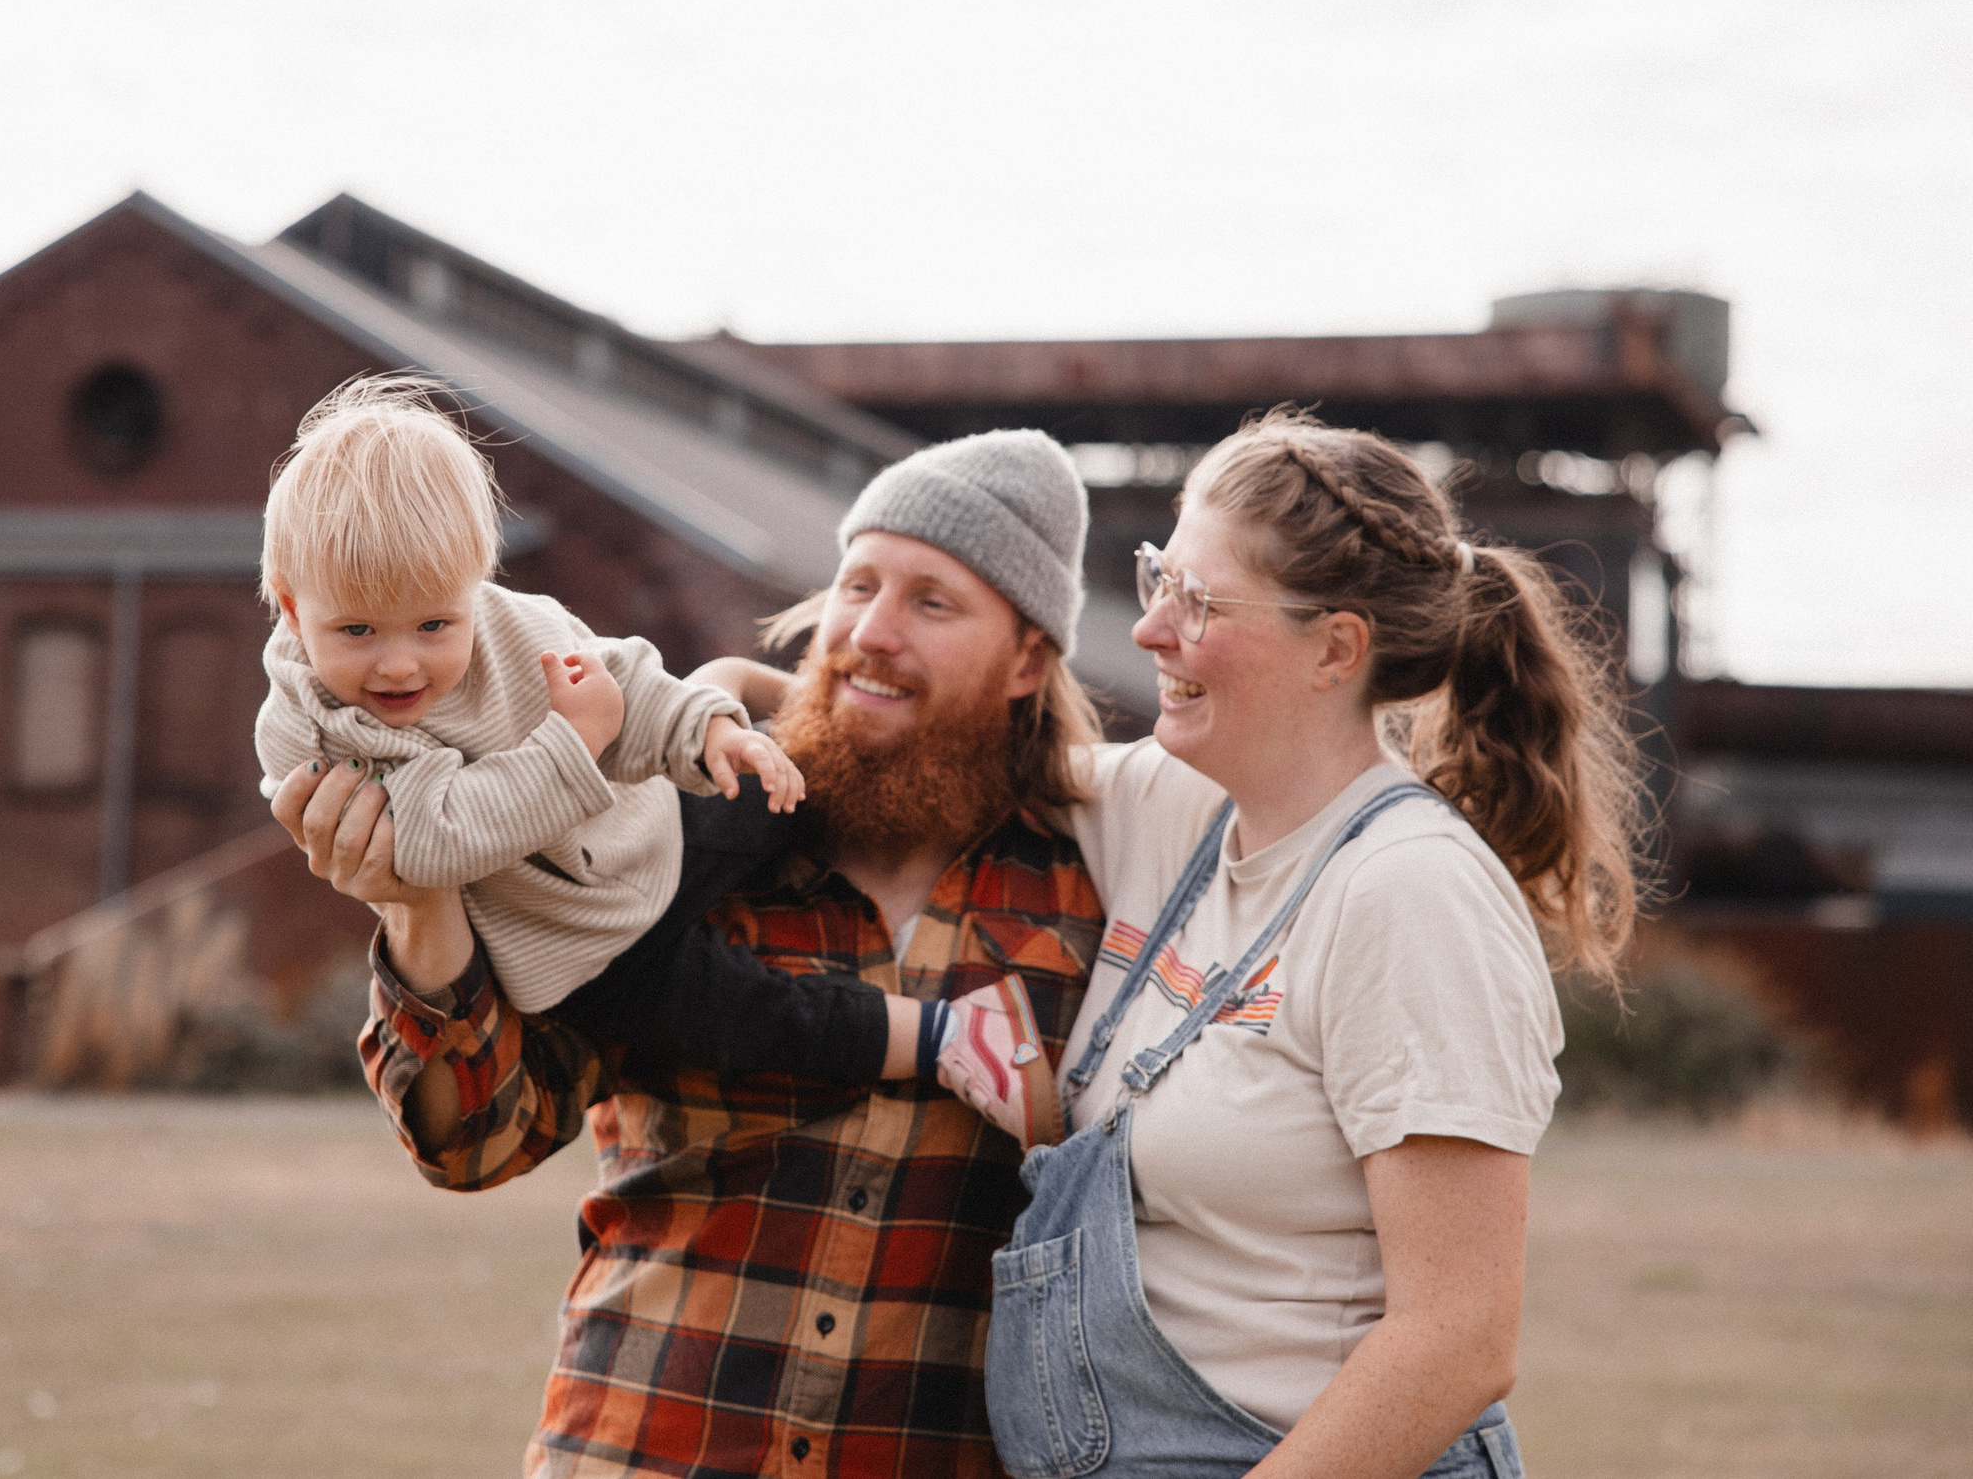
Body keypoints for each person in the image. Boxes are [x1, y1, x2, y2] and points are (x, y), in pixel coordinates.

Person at [275, 427, 1109, 1478]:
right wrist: (419, 906)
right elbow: (472, 1147)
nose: (868, 632)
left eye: (931, 602)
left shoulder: (1088, 894)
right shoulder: (688, 830)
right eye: (857, 585)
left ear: (1028, 657)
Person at [971, 408, 1650, 1479]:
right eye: (1159, 578)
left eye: (1197, 603)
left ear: (1335, 647)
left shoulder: (1410, 895)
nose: (1150, 630)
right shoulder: (1175, 802)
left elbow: (1458, 1340)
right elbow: (951, 765)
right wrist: (710, 705)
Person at [256, 377, 1035, 1101]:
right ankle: (953, 1037)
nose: (399, 662)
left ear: (476, 584)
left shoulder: (510, 626)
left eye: (435, 624)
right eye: (355, 630)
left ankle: (978, 774)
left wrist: (702, 726)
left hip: (651, 822)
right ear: (293, 610)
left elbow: (620, 682)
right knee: (743, 1014)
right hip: (585, 952)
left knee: (778, 774)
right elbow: (437, 838)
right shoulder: (317, 730)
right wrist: (574, 737)